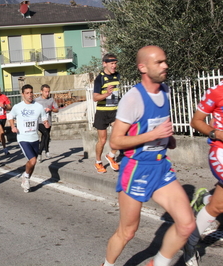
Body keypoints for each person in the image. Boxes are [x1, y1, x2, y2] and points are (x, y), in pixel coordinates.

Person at [101, 46, 195, 266]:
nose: (165, 66)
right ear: (142, 67)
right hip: (136, 169)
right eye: (159, 62)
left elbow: (158, 126)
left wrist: (166, 139)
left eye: (165, 61)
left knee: (187, 224)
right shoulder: (133, 99)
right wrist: (153, 134)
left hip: (161, 167)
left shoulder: (166, 90)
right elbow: (116, 141)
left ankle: (158, 263)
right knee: (128, 231)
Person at [182, 80, 223, 266]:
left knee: (217, 207)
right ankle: (190, 247)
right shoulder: (216, 91)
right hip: (220, 150)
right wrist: (216, 133)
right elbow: (196, 121)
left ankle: (205, 201)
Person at [7, 84, 49, 193]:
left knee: (31, 162)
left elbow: (44, 117)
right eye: (27, 93)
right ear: (22, 94)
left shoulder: (38, 106)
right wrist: (12, 126)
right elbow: (10, 116)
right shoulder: (18, 107)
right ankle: (26, 177)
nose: (30, 95)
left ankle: (26, 177)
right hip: (23, 138)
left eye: (31, 92)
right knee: (33, 160)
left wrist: (46, 122)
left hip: (34, 138)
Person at [93, 53, 121, 173]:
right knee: (103, 140)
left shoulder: (117, 76)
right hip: (102, 112)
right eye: (111, 64)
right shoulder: (99, 79)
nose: (114, 66)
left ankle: (111, 155)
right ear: (105, 64)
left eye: (115, 63)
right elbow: (95, 98)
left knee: (121, 135)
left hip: (114, 112)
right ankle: (98, 162)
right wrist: (106, 94)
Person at [34, 84, 59, 162]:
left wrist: (50, 109)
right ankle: (39, 153)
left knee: (46, 137)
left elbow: (57, 109)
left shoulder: (51, 100)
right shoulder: (36, 100)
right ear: (41, 91)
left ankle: (46, 150)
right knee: (46, 135)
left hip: (48, 121)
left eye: (48, 92)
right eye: (45, 92)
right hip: (40, 122)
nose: (47, 93)